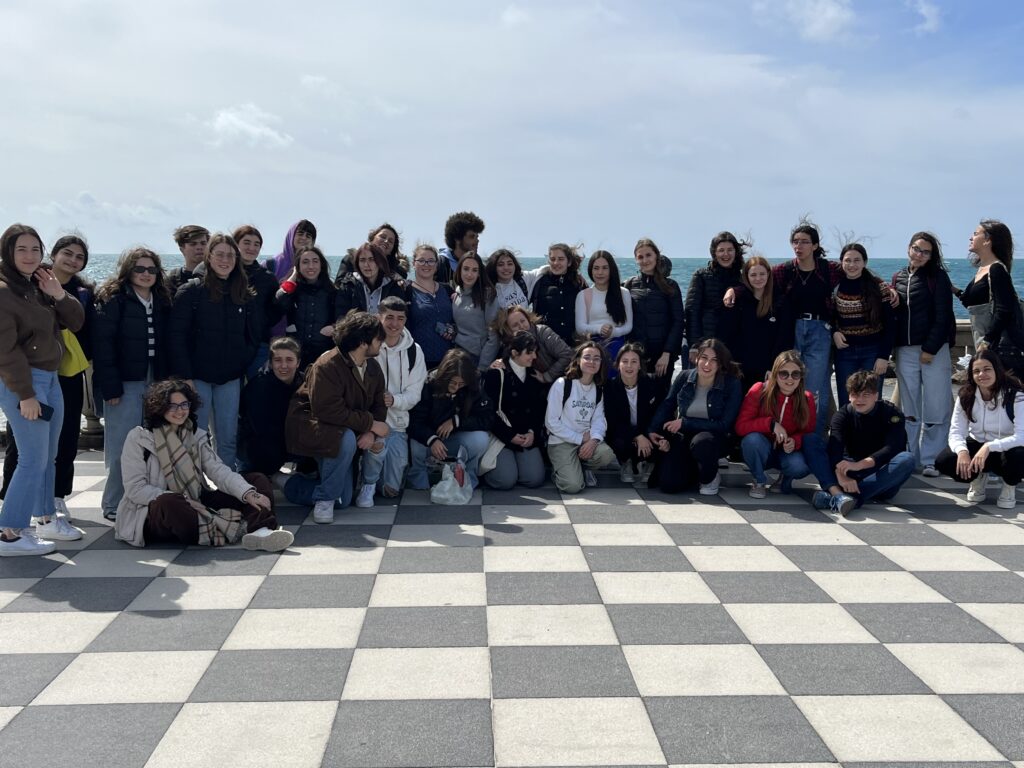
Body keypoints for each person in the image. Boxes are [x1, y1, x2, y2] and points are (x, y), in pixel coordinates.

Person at [114, 379, 291, 552]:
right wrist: (185, 501)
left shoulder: (196, 435)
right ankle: (229, 528)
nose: (180, 411)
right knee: (169, 503)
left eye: (184, 405)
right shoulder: (139, 438)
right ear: (159, 408)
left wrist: (248, 493)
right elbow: (135, 489)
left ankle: (260, 531)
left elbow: (218, 471)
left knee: (256, 480)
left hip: (197, 500)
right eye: (172, 406)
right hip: (156, 511)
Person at [1, 234, 93, 541]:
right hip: (24, 381)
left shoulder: (36, 286)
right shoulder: (4, 291)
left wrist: (59, 295)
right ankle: (9, 533)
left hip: (51, 377)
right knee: (31, 459)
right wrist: (25, 394)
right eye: (21, 249)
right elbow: (6, 351)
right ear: (7, 252)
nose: (29, 255)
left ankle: (46, 519)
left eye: (34, 249)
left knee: (48, 456)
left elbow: (76, 322)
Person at [92, 247, 173, 520]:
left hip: (155, 380)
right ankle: (113, 504)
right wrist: (110, 387)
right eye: (139, 269)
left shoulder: (161, 300)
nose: (146, 274)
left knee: (152, 445)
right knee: (120, 446)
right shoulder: (113, 300)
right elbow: (103, 347)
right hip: (124, 382)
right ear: (128, 270)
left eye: (151, 269)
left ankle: (144, 500)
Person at [284, 312, 389, 521]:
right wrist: (370, 424)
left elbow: (379, 405)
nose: (382, 344)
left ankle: (332, 489)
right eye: (378, 339)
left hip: (345, 428)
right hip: (314, 429)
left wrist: (371, 431)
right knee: (346, 438)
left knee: (344, 499)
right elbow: (328, 411)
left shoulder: (373, 366)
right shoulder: (327, 365)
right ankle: (318, 497)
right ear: (363, 342)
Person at [168, 233, 256, 468]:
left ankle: (226, 484)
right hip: (197, 377)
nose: (225, 260)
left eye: (230, 255)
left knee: (227, 438)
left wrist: (241, 362)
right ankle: (195, 484)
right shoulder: (191, 291)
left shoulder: (243, 293)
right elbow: (176, 337)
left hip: (230, 378)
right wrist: (185, 376)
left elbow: (252, 335)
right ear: (209, 257)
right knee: (195, 436)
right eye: (220, 254)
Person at [891, 231, 955, 477]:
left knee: (936, 406)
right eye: (916, 249)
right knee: (909, 408)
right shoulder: (898, 276)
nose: (919, 254)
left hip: (933, 350)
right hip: (904, 349)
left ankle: (932, 459)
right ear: (909, 248)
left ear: (932, 256)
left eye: (925, 252)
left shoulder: (937, 277)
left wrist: (930, 348)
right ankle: (910, 458)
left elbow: (943, 316)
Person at [647, 338, 743, 495]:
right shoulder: (684, 377)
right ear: (696, 358)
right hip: (685, 436)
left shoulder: (731, 384)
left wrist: (686, 422)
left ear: (720, 364)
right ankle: (695, 469)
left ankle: (710, 475)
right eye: (704, 358)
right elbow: (667, 404)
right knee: (668, 484)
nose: (707, 364)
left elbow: (724, 425)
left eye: (714, 360)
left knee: (702, 442)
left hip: (714, 438)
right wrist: (653, 429)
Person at [813, 370, 914, 514]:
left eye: (866, 395)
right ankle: (844, 496)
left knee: (907, 459)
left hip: (880, 475)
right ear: (849, 396)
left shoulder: (892, 413)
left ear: (876, 396)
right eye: (855, 394)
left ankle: (843, 498)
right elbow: (834, 449)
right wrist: (841, 475)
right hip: (849, 473)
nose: (860, 400)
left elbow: (892, 448)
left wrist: (859, 465)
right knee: (812, 441)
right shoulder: (842, 415)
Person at [735, 351, 833, 499]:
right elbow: (741, 426)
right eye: (784, 374)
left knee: (799, 466)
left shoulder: (807, 398)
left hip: (787, 452)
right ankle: (759, 480)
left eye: (795, 374)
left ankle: (784, 479)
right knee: (752, 441)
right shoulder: (759, 390)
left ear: (801, 376)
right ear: (775, 374)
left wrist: (795, 441)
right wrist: (770, 424)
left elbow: (808, 433)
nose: (790, 379)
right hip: (763, 448)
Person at [935, 349, 1024, 509]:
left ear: (997, 370)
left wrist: (989, 446)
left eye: (987, 369)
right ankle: (977, 477)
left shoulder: (1016, 396)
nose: (982, 374)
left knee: (1019, 455)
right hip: (978, 445)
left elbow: (1022, 437)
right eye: (976, 371)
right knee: (945, 460)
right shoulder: (966, 396)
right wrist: (962, 451)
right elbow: (956, 431)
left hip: (1007, 448)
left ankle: (1009, 485)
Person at [407, 349, 493, 490]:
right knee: (416, 443)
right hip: (428, 439)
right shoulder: (429, 383)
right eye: (452, 382)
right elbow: (414, 422)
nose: (456, 387)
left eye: (461, 383)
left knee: (480, 439)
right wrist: (431, 439)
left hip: (455, 437)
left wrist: (456, 421)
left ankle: (468, 477)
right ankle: (419, 479)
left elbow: (486, 418)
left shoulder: (474, 385)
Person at [369, 297, 427, 498]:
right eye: (389, 317)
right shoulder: (368, 346)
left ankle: (377, 480)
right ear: (379, 317)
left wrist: (394, 400)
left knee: (390, 490)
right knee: (372, 462)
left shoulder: (414, 351)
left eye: (400, 318)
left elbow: (415, 393)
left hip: (397, 425)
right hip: (369, 423)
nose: (394, 324)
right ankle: (366, 482)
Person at [545, 341, 616, 492]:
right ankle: (561, 472)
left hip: (586, 441)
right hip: (561, 441)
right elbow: (551, 422)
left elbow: (599, 420)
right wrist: (579, 438)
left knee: (606, 455)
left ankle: (581, 468)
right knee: (573, 486)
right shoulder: (562, 384)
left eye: (596, 359)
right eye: (587, 357)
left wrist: (594, 440)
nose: (592, 362)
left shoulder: (598, 390)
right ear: (578, 360)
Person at [481, 331, 546, 489]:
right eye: (529, 353)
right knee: (505, 480)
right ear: (515, 353)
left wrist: (532, 432)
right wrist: (509, 435)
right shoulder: (496, 374)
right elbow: (489, 412)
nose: (534, 357)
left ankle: (517, 467)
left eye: (535, 352)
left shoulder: (533, 375)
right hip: (502, 435)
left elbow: (538, 409)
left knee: (535, 479)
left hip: (525, 434)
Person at [831, 244, 894, 406]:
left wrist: (883, 356)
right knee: (847, 400)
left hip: (872, 351)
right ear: (841, 262)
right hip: (845, 353)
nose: (852, 265)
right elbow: (828, 316)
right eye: (848, 260)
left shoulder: (878, 286)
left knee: (871, 400)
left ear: (865, 262)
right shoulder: (835, 286)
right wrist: (834, 332)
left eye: (857, 260)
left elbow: (890, 324)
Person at [719, 254, 793, 387]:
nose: (758, 278)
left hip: (768, 371)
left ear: (768, 274)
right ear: (746, 276)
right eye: (753, 275)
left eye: (762, 274)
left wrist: (774, 367)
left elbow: (784, 339)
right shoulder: (738, 300)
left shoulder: (780, 302)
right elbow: (727, 334)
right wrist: (730, 365)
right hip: (739, 369)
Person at [961, 219, 1024, 375]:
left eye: (975, 234)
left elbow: (1004, 309)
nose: (971, 237)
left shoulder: (996, 269)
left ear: (988, 240)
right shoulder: (983, 269)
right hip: (986, 342)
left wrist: (986, 342)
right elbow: (969, 302)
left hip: (998, 347)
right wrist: (951, 288)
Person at [237, 336, 304, 478]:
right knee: (265, 449)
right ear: (271, 363)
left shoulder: (305, 383)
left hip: (287, 438)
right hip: (259, 443)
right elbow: (261, 428)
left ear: (298, 363)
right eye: (278, 360)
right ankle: (265, 475)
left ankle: (304, 470)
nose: (284, 366)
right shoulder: (259, 386)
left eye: (289, 360)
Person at [625, 238, 684, 392]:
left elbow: (678, 322)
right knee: (637, 397)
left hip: (662, 355)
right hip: (637, 355)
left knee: (661, 396)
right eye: (640, 257)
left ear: (656, 256)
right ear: (636, 260)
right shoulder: (629, 285)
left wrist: (667, 353)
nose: (645, 260)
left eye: (648, 255)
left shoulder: (670, 286)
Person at [604, 342, 659, 484]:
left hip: (646, 430)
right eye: (625, 361)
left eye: (634, 361)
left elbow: (658, 415)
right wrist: (637, 435)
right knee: (619, 440)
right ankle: (626, 462)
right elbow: (612, 421)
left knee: (659, 437)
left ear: (640, 365)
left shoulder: (652, 382)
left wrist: (645, 434)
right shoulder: (610, 387)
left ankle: (649, 463)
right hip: (622, 432)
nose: (629, 366)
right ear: (618, 364)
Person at [685, 232, 745, 363]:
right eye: (721, 250)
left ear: (736, 252)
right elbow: (692, 311)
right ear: (714, 253)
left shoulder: (742, 278)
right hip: (706, 344)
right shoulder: (701, 275)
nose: (726, 254)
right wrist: (694, 345)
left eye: (730, 250)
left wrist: (734, 290)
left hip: (734, 346)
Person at [275, 245, 337, 371]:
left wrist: (334, 327)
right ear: (298, 266)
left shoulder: (332, 290)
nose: (311, 266)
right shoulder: (294, 288)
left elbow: (341, 317)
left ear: (321, 265)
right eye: (305, 262)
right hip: (296, 351)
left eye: (315, 261)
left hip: (323, 352)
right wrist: (293, 276)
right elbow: (279, 302)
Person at [232, 225, 282, 380]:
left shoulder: (268, 278)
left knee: (258, 390)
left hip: (259, 345)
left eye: (256, 244)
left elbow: (274, 312)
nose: (251, 248)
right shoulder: (226, 273)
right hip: (229, 346)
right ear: (235, 244)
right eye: (246, 242)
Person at [480, 305, 572, 384]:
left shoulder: (542, 332)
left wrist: (547, 376)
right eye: (515, 325)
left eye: (523, 321)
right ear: (508, 331)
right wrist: (498, 364)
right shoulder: (509, 347)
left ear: (528, 319)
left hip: (561, 380)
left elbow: (567, 354)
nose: (521, 326)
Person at [575, 250, 633, 362]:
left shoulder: (624, 293)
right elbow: (580, 327)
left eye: (605, 268)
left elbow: (628, 326)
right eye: (596, 268)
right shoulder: (583, 295)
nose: (600, 272)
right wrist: (599, 329)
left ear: (611, 270)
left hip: (618, 345)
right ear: (591, 270)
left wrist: (613, 332)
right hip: (592, 346)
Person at [265, 219, 317, 337]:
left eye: (308, 236)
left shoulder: (315, 268)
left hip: (302, 336)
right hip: (270, 332)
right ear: (291, 235)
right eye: (300, 233)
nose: (304, 238)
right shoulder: (272, 264)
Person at [407, 244, 455, 369]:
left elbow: (458, 319)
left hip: (447, 361)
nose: (426, 264)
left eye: (431, 261)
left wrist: (453, 329)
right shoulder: (406, 291)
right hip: (417, 362)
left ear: (437, 264)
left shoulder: (447, 289)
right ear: (413, 263)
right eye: (421, 260)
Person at [531, 243, 586, 347]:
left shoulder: (579, 283)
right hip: (545, 344)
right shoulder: (539, 281)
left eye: (561, 259)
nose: (556, 263)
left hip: (572, 343)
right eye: (552, 259)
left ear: (569, 262)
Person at [335, 242, 408, 318]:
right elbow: (340, 317)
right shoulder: (348, 285)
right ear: (357, 263)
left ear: (380, 262)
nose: (366, 265)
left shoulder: (394, 286)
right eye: (362, 260)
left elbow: (402, 317)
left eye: (371, 259)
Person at [452, 252, 499, 367]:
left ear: (479, 273)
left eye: (474, 270)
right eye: (466, 269)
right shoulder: (456, 294)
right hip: (457, 352)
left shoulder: (487, 296)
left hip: (477, 356)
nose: (469, 274)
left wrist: (483, 366)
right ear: (459, 270)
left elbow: (494, 336)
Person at [335, 223, 408, 281]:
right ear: (372, 239)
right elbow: (339, 284)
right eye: (382, 237)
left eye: (390, 241)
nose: (386, 241)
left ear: (392, 250)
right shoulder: (351, 260)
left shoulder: (398, 272)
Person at [437, 211, 485, 285]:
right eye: (472, 237)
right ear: (457, 239)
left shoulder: (479, 265)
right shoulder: (441, 264)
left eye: (477, 237)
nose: (477, 241)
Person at [166, 225, 209, 293]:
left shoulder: (217, 275)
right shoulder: (172, 279)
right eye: (193, 244)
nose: (199, 247)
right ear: (182, 249)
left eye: (203, 243)